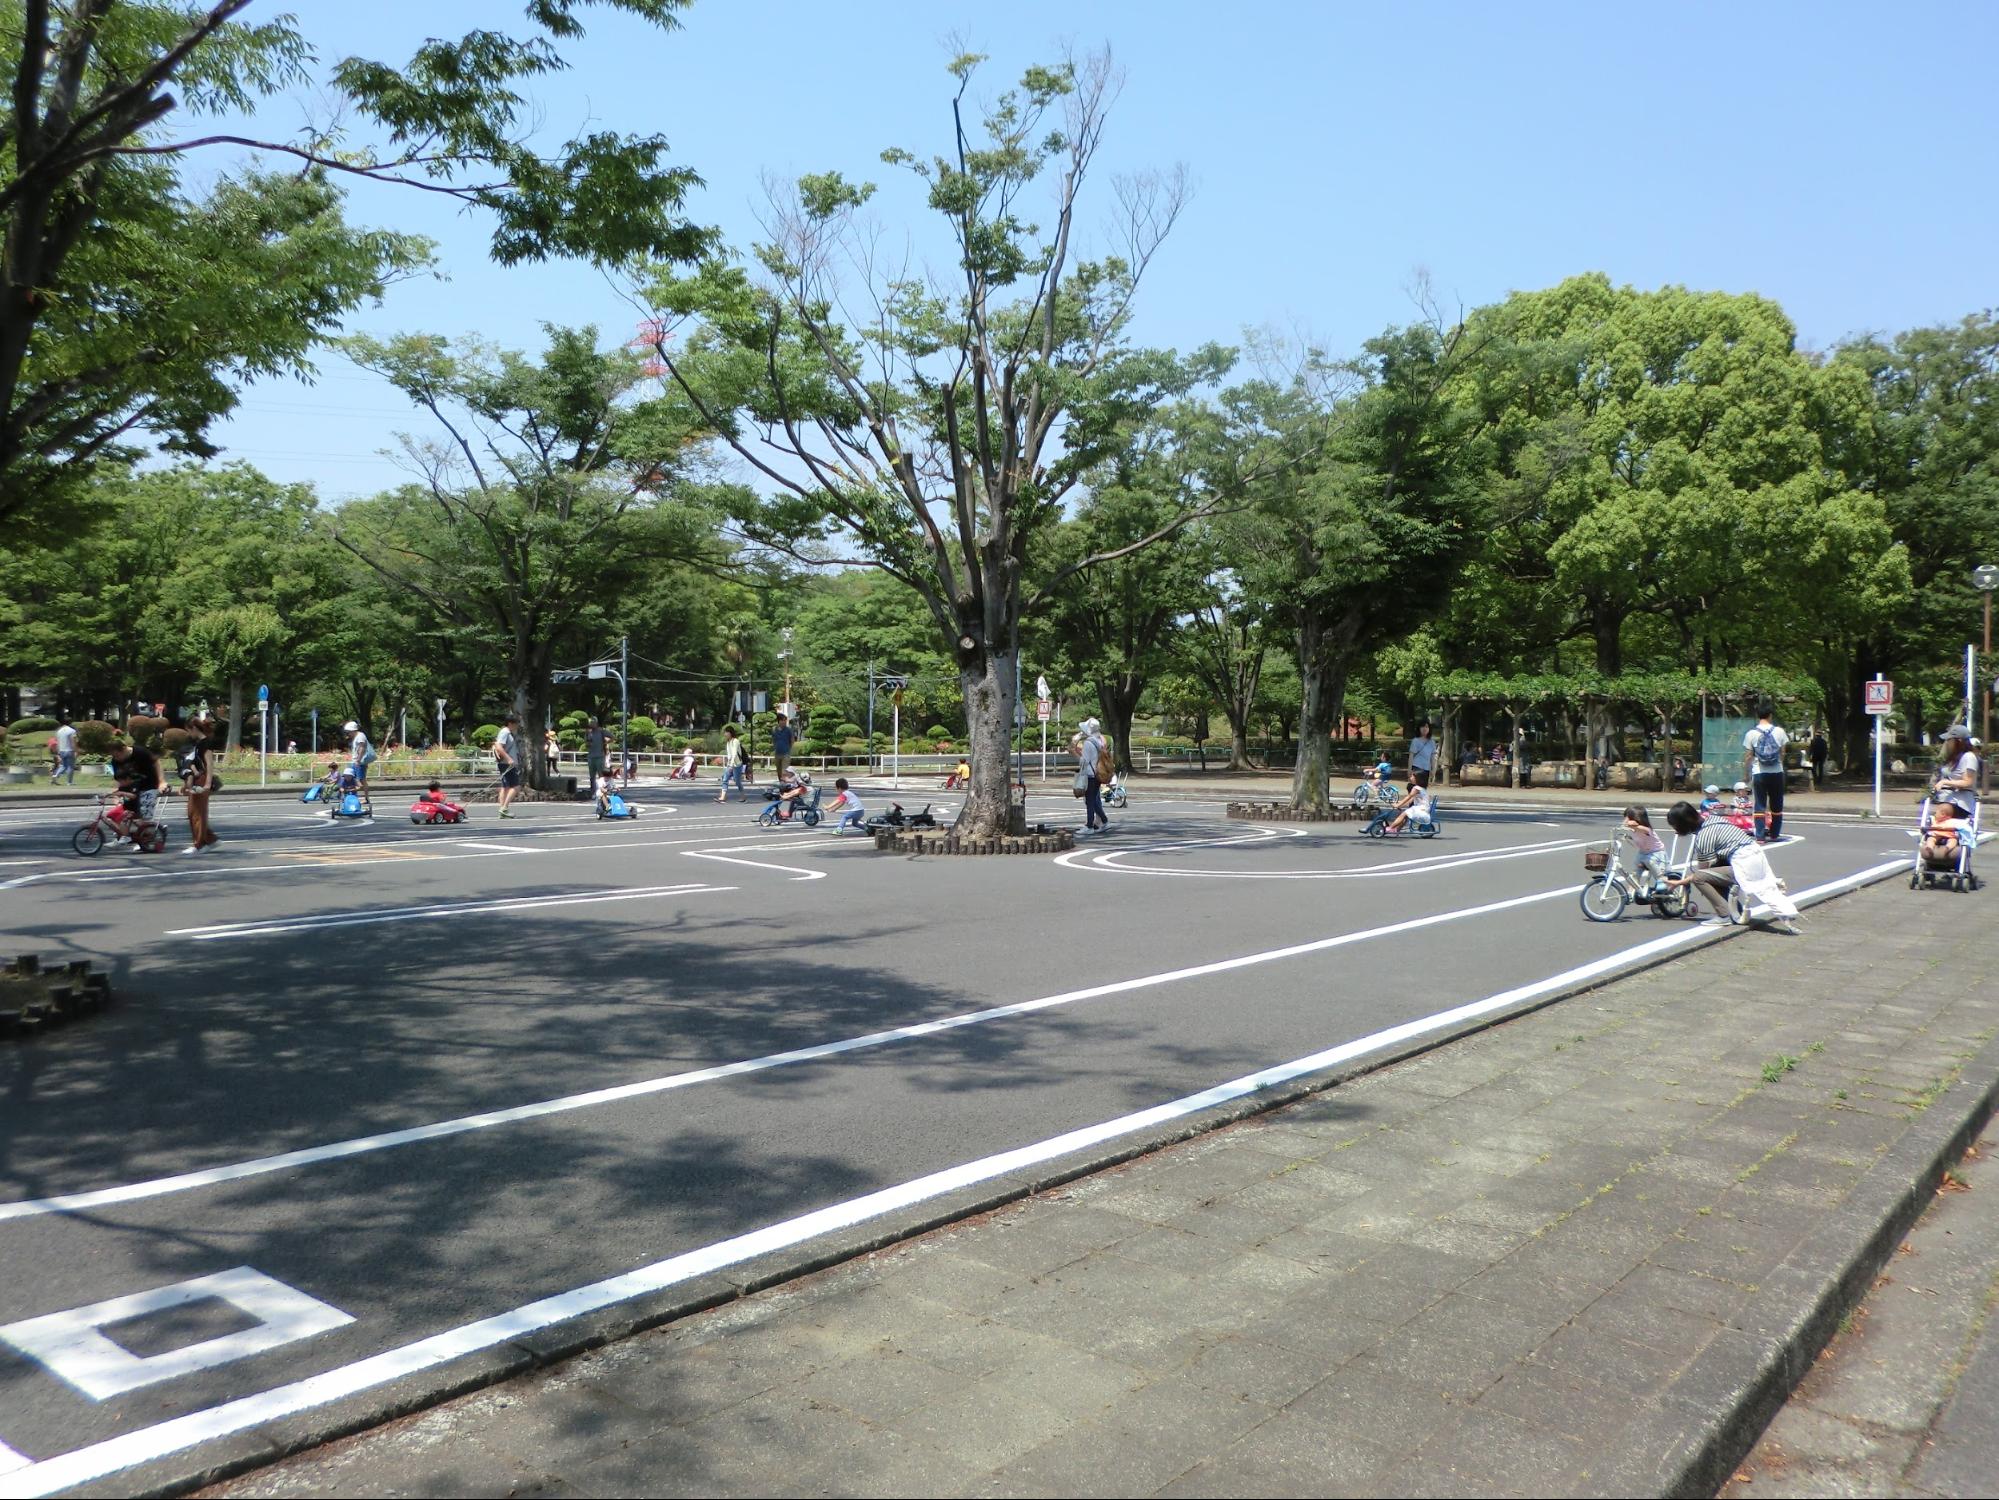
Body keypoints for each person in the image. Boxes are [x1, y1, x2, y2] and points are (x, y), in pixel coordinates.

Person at [1663, 800, 1797, 932]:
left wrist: (1679, 882)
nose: (1675, 830)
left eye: (1676, 826)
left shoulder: (1704, 835)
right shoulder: (1714, 819)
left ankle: (1723, 915)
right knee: (1716, 871)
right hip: (1756, 859)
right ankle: (1735, 910)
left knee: (1700, 877)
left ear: (1684, 823)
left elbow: (1702, 872)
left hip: (1743, 864)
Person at [1742, 701, 1790, 842]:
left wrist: (1746, 773)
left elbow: (1748, 756)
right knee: (1777, 804)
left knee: (1760, 804)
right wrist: (1777, 762)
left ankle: (1760, 836)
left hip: (1759, 772)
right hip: (1777, 772)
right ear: (1770, 715)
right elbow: (1783, 752)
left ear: (1758, 715)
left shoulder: (1751, 733)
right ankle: (1774, 834)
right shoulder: (1779, 731)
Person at [110, 739, 166, 848]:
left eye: (117, 755)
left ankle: (147, 838)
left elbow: (156, 762)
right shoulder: (115, 761)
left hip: (148, 786)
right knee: (129, 814)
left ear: (123, 750)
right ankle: (136, 836)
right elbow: (119, 778)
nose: (116, 759)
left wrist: (162, 781)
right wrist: (117, 794)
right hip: (131, 789)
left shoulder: (140, 752)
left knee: (144, 815)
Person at [178, 714, 221, 854]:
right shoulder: (197, 744)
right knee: (192, 812)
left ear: (195, 728)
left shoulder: (205, 743)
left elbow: (209, 764)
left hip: (202, 779)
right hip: (197, 779)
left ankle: (199, 844)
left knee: (198, 812)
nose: (189, 734)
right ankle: (210, 839)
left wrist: (208, 783)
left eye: (189, 730)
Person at [1933, 725, 1980, 818]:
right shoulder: (1953, 758)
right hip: (1947, 800)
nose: (1947, 743)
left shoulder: (1969, 757)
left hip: (1959, 802)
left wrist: (1944, 782)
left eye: (1949, 740)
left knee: (1941, 820)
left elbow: (1968, 782)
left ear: (1959, 741)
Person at [1623, 806, 1667, 893]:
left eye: (1628, 817)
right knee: (1635, 873)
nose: (1626, 820)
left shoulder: (1646, 829)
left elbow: (1644, 830)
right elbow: (1626, 827)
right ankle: (1631, 892)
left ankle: (1662, 879)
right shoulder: (1632, 830)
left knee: (1651, 863)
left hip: (1656, 853)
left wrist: (1634, 825)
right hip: (1643, 853)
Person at [1077, 717, 1109, 834]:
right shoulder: (1099, 741)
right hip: (1099, 773)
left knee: (1089, 801)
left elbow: (1084, 761)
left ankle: (1089, 826)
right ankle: (1104, 821)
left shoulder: (1088, 743)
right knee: (1094, 800)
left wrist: (1077, 754)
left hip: (1090, 775)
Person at [494, 714, 522, 818]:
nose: (517, 725)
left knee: (505, 787)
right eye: (516, 723)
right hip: (506, 764)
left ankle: (503, 810)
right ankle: (504, 808)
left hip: (506, 763)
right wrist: (509, 759)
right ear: (510, 723)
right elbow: (499, 746)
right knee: (516, 786)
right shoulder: (505, 732)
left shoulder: (508, 732)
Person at [1921, 800, 1964, 867]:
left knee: (1953, 840)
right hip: (1936, 835)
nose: (1934, 814)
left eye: (1936, 813)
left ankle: (1948, 848)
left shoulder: (1953, 821)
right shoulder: (1934, 820)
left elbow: (1960, 826)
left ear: (1943, 814)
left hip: (1949, 836)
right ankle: (1930, 848)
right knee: (1930, 839)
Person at [717, 726, 747, 802]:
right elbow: (729, 755)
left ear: (730, 733)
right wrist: (728, 764)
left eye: (726, 732)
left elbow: (734, 754)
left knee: (737, 782)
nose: (725, 734)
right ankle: (723, 797)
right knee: (725, 779)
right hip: (731, 765)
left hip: (737, 765)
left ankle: (743, 797)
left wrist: (731, 765)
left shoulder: (735, 741)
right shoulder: (728, 742)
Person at [1408, 719, 1438, 789]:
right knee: (1416, 790)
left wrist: (1433, 770)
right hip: (1416, 768)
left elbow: (1433, 757)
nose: (1425, 729)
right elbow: (1411, 756)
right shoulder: (1415, 741)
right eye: (1422, 727)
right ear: (1419, 728)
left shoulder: (1432, 742)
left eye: (1427, 727)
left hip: (1426, 770)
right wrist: (1409, 769)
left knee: (1423, 790)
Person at [585, 717, 608, 798]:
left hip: (599, 756)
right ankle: (593, 792)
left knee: (601, 775)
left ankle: (602, 791)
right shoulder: (588, 732)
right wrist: (588, 743)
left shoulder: (601, 731)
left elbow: (612, 737)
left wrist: (605, 742)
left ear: (596, 723)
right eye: (590, 722)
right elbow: (586, 743)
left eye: (592, 722)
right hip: (591, 756)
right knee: (592, 776)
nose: (591, 724)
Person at [51, 716, 78, 784]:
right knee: (70, 766)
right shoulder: (72, 731)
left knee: (63, 766)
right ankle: (69, 782)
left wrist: (57, 752)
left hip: (61, 750)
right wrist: (76, 750)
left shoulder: (59, 731)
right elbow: (73, 741)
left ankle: (55, 775)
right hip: (69, 750)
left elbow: (57, 742)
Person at [771, 713, 795, 782]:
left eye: (785, 720)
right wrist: (775, 746)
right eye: (783, 720)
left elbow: (792, 740)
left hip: (786, 754)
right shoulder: (774, 730)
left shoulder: (788, 730)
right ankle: (781, 784)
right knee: (779, 772)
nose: (784, 722)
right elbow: (773, 740)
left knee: (784, 771)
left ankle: (785, 785)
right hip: (777, 753)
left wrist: (789, 748)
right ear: (779, 721)